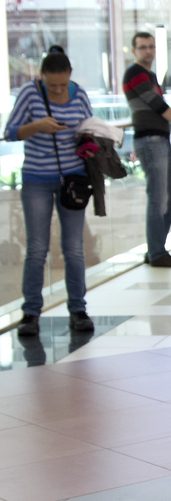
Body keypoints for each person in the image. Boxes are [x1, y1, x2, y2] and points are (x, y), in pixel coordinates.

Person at [5, 51, 96, 336]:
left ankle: (78, 310)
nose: (57, 90)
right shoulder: (29, 94)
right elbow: (10, 132)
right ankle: (31, 313)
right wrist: (37, 126)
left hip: (72, 179)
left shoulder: (79, 95)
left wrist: (90, 140)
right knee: (36, 248)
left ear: (70, 75)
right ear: (41, 77)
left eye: (62, 84)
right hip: (36, 179)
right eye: (51, 85)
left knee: (74, 248)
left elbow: (89, 128)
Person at [124, 32, 171, 267]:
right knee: (158, 198)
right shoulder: (135, 73)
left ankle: (155, 248)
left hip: (159, 138)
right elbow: (157, 105)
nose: (148, 51)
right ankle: (157, 252)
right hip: (150, 140)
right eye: (142, 47)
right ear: (134, 51)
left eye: (151, 46)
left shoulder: (150, 75)